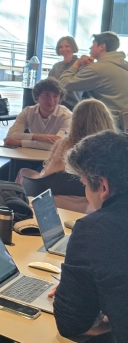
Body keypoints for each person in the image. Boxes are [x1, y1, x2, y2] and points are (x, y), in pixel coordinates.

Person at [54, 130, 128, 343]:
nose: (86, 192)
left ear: (103, 187)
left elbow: (71, 325)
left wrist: (77, 291)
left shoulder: (94, 229)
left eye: (85, 184)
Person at [60, 31, 128, 120]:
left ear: (102, 46)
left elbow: (65, 83)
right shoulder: (122, 64)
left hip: (108, 122)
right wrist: (91, 67)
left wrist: (77, 63)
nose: (90, 47)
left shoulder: (98, 69)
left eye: (93, 44)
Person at [48, 36, 81, 110]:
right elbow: (50, 83)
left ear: (73, 47)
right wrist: (63, 63)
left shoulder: (80, 63)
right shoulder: (56, 66)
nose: (64, 49)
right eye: (61, 47)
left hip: (74, 103)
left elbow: (65, 83)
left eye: (67, 46)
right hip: (56, 102)